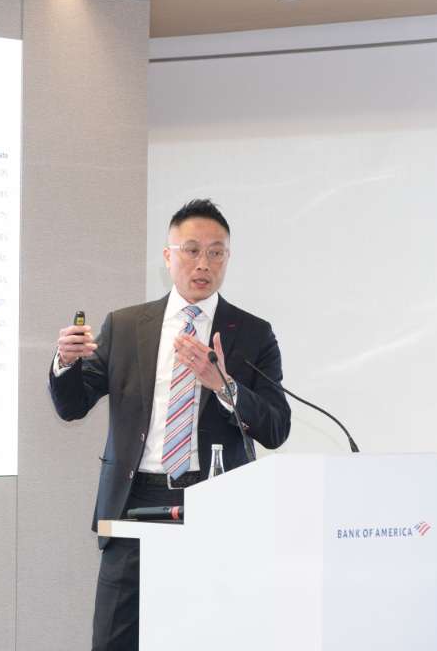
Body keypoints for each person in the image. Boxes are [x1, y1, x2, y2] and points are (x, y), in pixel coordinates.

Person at [50, 198, 291, 651]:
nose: (203, 263)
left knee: (210, 638)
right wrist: (65, 362)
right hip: (134, 501)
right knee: (115, 640)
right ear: (168, 256)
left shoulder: (253, 333)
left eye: (216, 252)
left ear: (228, 258)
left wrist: (224, 387)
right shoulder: (126, 325)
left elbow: (277, 427)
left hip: (216, 503)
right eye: (191, 250)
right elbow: (73, 405)